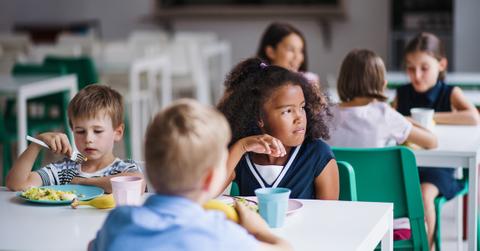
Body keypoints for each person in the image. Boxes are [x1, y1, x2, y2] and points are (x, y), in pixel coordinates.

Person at [89, 99, 292, 251]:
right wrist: (259, 230)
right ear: (211, 179)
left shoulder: (119, 221)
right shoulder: (221, 235)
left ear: (148, 171)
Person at [393, 32, 479, 248]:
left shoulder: (449, 93)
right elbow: (389, 119)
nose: (417, 75)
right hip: (408, 165)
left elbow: (473, 116)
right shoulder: (402, 94)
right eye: (411, 68)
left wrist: (428, 117)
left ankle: (426, 246)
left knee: (423, 195)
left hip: (440, 167)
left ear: (441, 65)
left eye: (424, 68)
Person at [217, 57, 339, 200]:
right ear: (259, 118)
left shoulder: (318, 154)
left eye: (302, 107)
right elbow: (210, 192)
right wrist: (241, 146)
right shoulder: (242, 156)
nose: (299, 117)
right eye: (287, 111)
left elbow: (328, 215)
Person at [6, 85, 143, 193]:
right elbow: (17, 184)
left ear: (117, 132)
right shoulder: (65, 170)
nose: (88, 138)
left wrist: (82, 182)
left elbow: (136, 184)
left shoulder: (125, 168)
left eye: (97, 131)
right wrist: (37, 143)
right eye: (80, 131)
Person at [327, 49, 437, 149]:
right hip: (373, 172)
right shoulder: (385, 114)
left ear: (343, 80)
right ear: (382, 84)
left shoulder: (325, 114)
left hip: (338, 172)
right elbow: (432, 142)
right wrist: (404, 119)